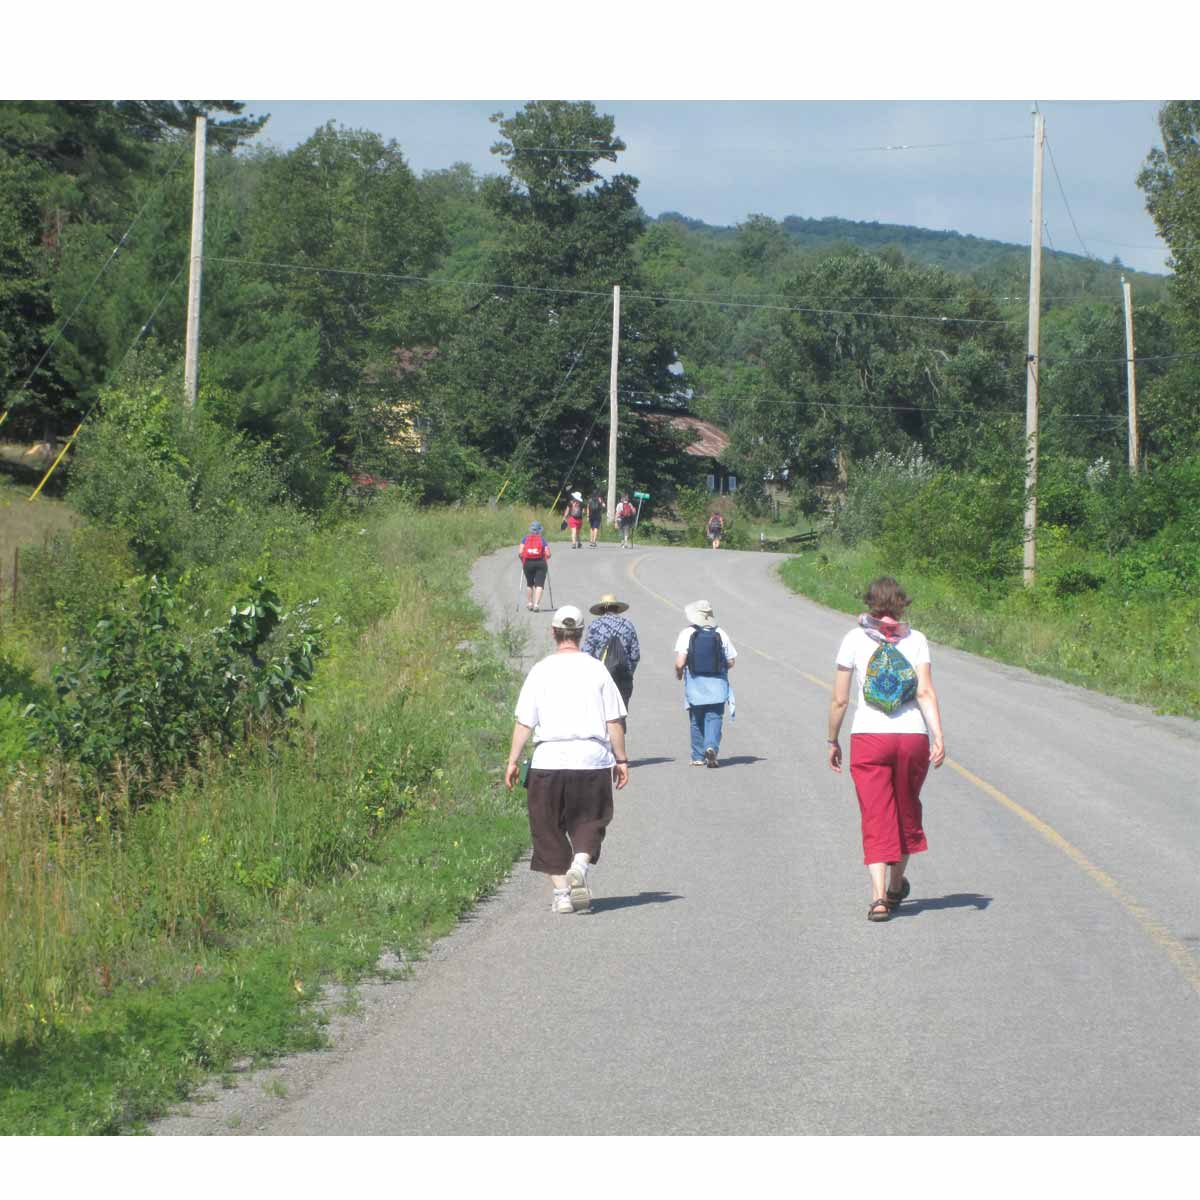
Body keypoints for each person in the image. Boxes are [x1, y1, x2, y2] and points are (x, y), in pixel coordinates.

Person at [826, 576, 945, 923]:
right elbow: (925, 692)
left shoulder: (854, 639)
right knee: (906, 809)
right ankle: (896, 886)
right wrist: (938, 735)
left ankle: (878, 898)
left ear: (870, 603)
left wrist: (832, 739)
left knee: (876, 814)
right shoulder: (916, 639)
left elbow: (840, 699)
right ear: (902, 604)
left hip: (869, 737)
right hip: (911, 736)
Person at [505, 606, 629, 914]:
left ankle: (562, 894)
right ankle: (580, 865)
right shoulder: (596, 670)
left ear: (553, 633)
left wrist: (512, 760)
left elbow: (524, 722)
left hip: (548, 760)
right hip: (590, 759)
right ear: (581, 634)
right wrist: (621, 759)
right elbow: (614, 720)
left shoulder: (540, 671)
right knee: (591, 819)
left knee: (546, 827)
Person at [673, 600, 737, 768]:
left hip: (695, 684)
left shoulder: (687, 633)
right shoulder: (721, 633)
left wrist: (679, 673)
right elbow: (731, 661)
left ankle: (697, 757)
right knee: (714, 717)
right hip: (717, 684)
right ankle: (711, 747)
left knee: (696, 720)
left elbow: (680, 663)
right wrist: (719, 666)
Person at [581, 593, 640, 713]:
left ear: (601, 609)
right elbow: (635, 655)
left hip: (601, 677)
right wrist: (629, 672)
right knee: (620, 714)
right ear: (617, 608)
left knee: (602, 714)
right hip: (623, 677)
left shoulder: (595, 626)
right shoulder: (628, 625)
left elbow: (586, 653)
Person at [518, 521, 551, 612]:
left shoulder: (525, 539)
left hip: (528, 563)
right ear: (540, 530)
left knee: (530, 584)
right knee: (539, 584)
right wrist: (545, 558)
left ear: (531, 530)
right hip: (540, 563)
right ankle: (536, 605)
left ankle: (529, 603)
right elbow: (548, 554)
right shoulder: (542, 540)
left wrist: (523, 561)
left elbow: (520, 553)